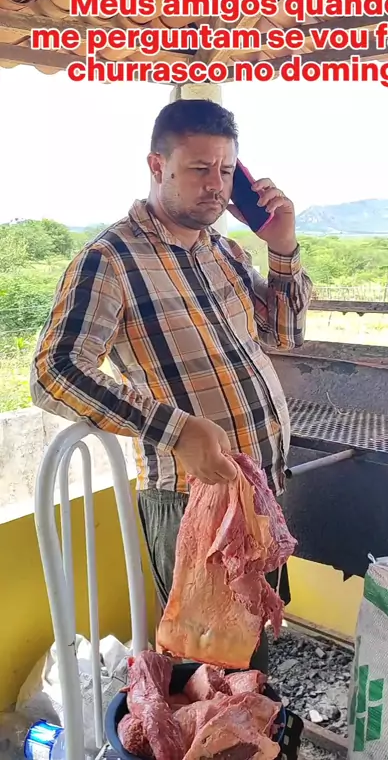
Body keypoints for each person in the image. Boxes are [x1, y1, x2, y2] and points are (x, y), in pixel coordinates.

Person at [30, 98, 313, 673]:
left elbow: (284, 334)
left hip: (258, 488)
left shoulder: (223, 250)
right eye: (199, 169)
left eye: (227, 170)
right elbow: (54, 371)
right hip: (192, 500)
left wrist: (282, 248)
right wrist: (176, 429)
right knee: (214, 671)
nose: (216, 186)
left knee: (253, 652)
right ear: (157, 166)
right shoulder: (110, 260)